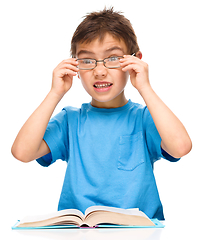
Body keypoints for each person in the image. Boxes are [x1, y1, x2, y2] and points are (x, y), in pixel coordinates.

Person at [11, 7, 192, 220]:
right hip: (80, 232)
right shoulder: (70, 121)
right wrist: (55, 93)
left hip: (140, 232)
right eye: (87, 61)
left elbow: (181, 147)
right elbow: (22, 152)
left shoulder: (143, 118)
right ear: (75, 67)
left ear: (135, 61)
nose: (99, 71)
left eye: (113, 58)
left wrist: (145, 87)